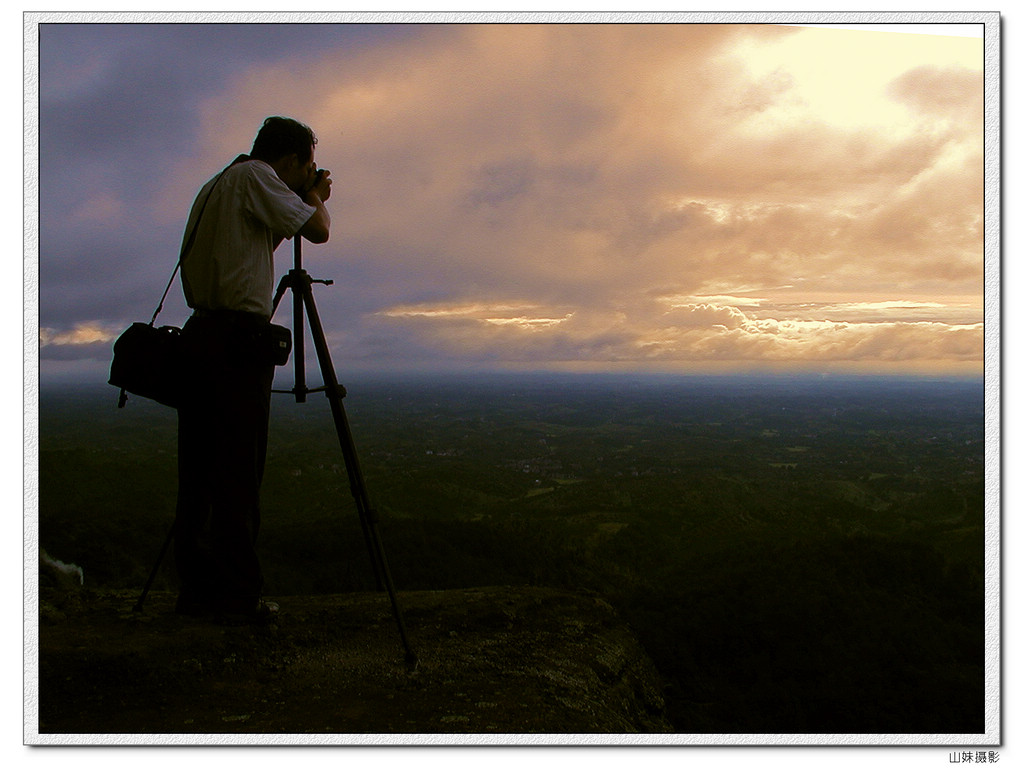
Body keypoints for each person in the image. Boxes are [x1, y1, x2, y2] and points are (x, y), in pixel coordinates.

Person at [173, 116, 332, 623]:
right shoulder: (258, 177)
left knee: (199, 472)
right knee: (239, 472)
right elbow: (319, 230)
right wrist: (316, 195)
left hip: (200, 336)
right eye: (305, 165)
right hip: (238, 343)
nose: (308, 173)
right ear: (288, 162)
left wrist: (303, 194)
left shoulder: (219, 183)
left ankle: (197, 592)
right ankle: (238, 600)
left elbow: (257, 244)